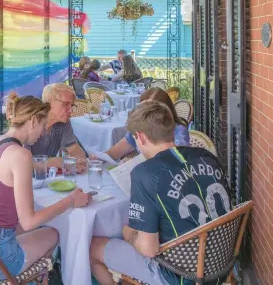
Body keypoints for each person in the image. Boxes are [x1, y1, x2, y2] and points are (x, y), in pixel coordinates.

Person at [90, 101, 231, 285]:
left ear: (140, 137)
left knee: (92, 246)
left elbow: (148, 250)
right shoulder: (206, 157)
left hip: (179, 275)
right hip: (221, 263)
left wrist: (130, 235)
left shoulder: (145, 173)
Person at [0, 93, 92, 281]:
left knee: (41, 224)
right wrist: (70, 200)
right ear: (33, 121)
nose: (43, 132)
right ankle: (42, 277)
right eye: (43, 125)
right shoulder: (20, 155)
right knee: (53, 232)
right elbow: (29, 222)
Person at [104, 87, 190, 161]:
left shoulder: (178, 131)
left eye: (151, 111)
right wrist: (95, 159)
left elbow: (178, 162)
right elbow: (113, 153)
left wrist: (135, 163)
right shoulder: (139, 128)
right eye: (142, 109)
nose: (144, 114)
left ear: (165, 110)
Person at [29, 83, 87, 172]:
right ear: (49, 102)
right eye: (65, 104)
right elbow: (22, 164)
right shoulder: (31, 122)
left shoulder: (63, 122)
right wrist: (58, 162)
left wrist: (80, 160)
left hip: (45, 178)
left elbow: (74, 148)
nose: (70, 110)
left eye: (71, 105)